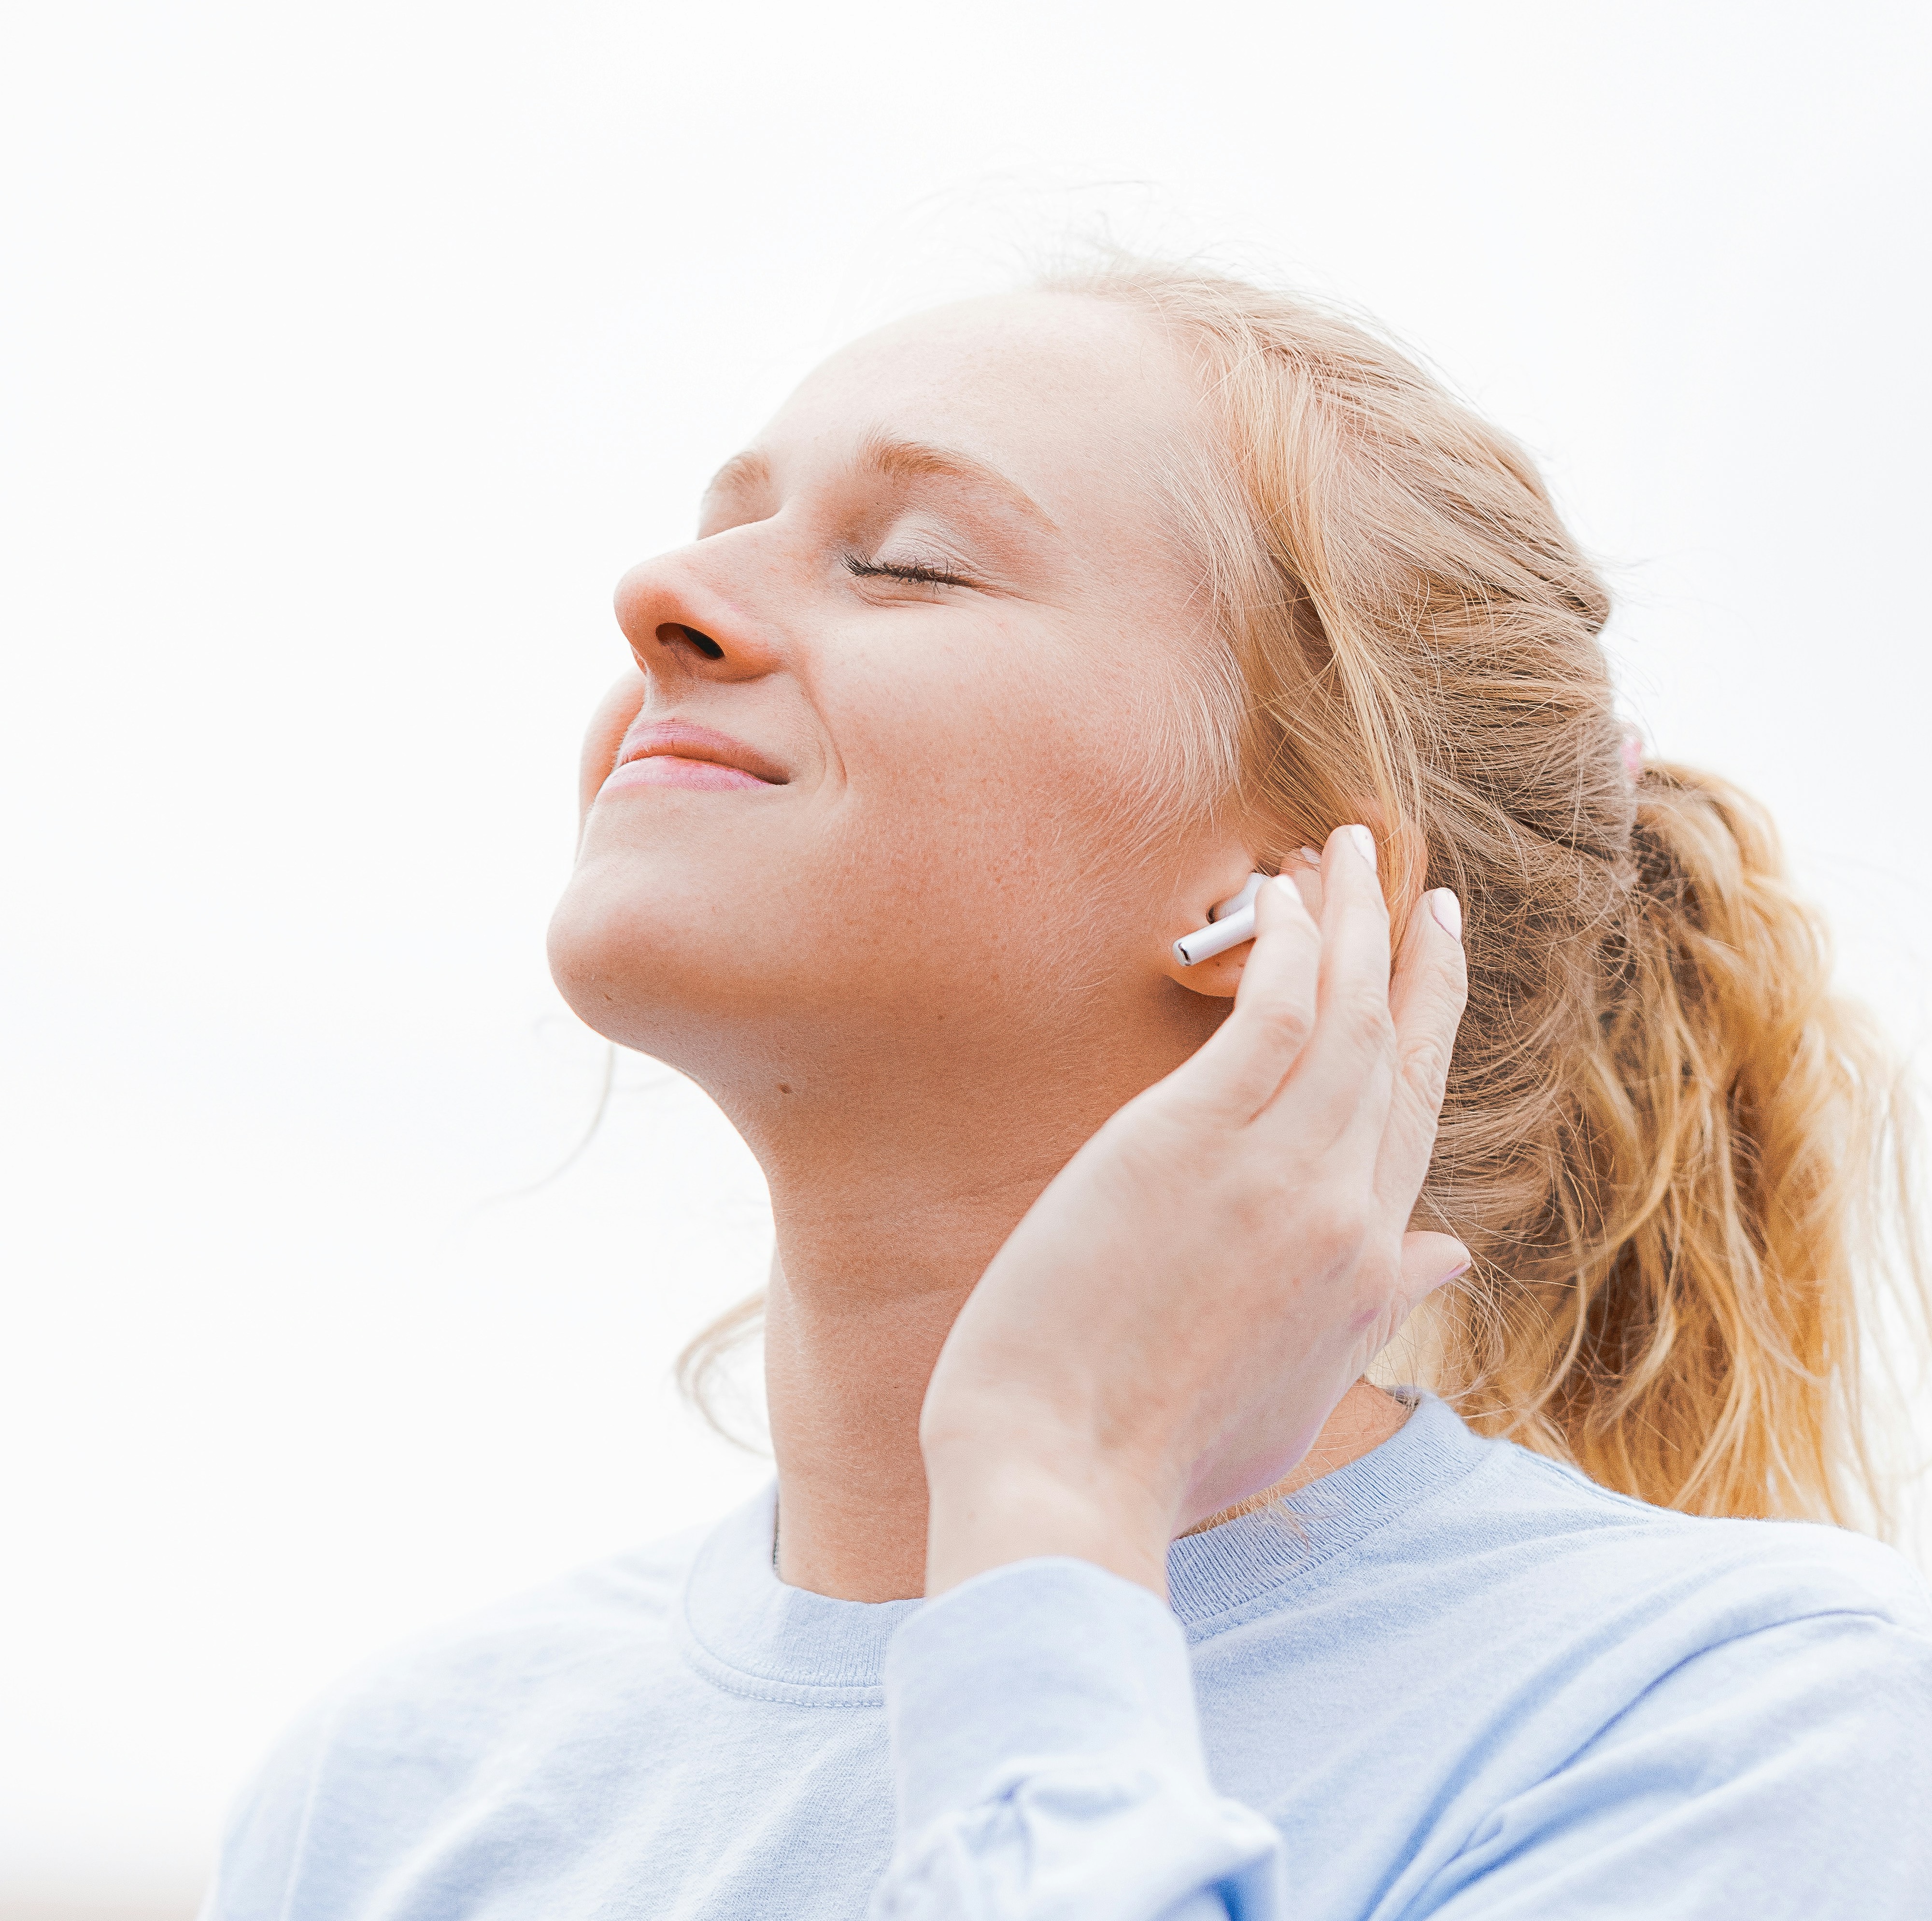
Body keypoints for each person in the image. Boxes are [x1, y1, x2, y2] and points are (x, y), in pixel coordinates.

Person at [201, 259, 1932, 1920]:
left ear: (1303, 889)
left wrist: (1056, 1492)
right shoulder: (391, 1798)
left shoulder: (1734, 1727)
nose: (660, 595)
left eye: (906, 563)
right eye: (727, 525)